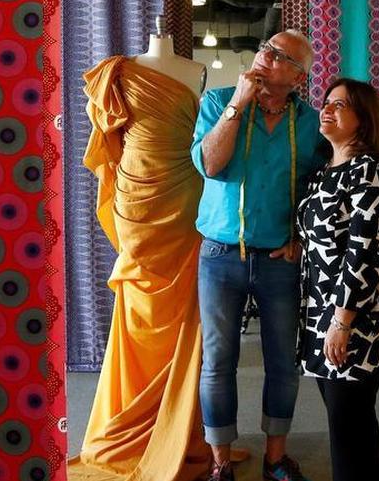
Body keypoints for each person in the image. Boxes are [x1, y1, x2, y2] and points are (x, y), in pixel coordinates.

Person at [71, 27, 209, 481]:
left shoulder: (197, 70)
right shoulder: (121, 71)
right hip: (137, 199)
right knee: (136, 306)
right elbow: (107, 138)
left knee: (183, 311)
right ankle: (131, 413)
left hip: (184, 200)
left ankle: (173, 425)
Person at [191, 30, 326, 481]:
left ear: (298, 76)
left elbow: (321, 191)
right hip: (219, 255)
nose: (266, 58)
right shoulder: (218, 102)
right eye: (266, 49)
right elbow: (211, 164)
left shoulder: (310, 124)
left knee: (282, 361)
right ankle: (220, 464)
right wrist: (238, 106)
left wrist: (302, 236)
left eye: (280, 56)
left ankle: (275, 459)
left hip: (278, 262)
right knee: (218, 360)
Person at [297, 78, 379, 481]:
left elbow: (364, 254)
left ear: (363, 118)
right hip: (321, 316)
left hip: (357, 319)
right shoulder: (324, 172)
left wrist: (342, 321)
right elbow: (319, 238)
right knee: (348, 426)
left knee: (350, 426)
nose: (326, 109)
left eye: (339, 104)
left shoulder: (370, 173)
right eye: (326, 102)